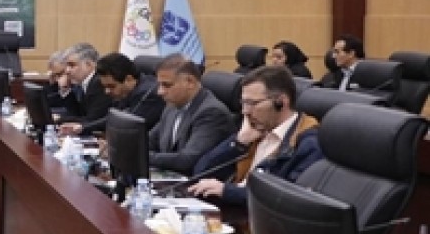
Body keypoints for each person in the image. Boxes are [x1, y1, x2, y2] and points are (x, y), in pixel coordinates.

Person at [189, 66, 322, 205]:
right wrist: (239, 143)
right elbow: (200, 172)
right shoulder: (255, 130)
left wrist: (227, 191)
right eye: (243, 103)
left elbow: (287, 199)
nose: (245, 111)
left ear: (281, 102)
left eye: (252, 103)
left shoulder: (308, 143)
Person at [147, 54, 235, 175]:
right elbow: (149, 141)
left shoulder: (211, 113)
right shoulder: (172, 106)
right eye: (160, 85)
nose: (160, 92)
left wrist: (145, 157)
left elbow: (187, 161)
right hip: (171, 177)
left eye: (167, 85)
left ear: (190, 82)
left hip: (197, 183)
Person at [61, 52, 164, 136]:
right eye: (105, 87)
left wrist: (83, 128)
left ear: (128, 79)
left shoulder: (149, 94)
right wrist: (81, 128)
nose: (107, 91)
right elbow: (113, 117)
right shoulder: (128, 91)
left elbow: (123, 123)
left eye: (111, 86)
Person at [56, 43, 113, 133]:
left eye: (72, 65)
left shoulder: (99, 83)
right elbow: (77, 113)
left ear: (89, 65)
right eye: (67, 66)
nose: (67, 71)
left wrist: (59, 119)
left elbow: (91, 120)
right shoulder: (85, 82)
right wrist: (65, 90)